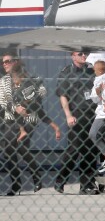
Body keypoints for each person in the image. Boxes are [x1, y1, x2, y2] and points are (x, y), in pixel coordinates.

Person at [0, 52, 60, 196]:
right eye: (3, 62)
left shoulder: (32, 78)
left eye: (8, 61)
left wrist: (28, 102)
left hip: (29, 119)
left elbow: (42, 93)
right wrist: (16, 108)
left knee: (21, 147)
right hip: (10, 119)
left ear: (16, 62)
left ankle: (35, 176)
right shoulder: (3, 81)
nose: (5, 64)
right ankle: (17, 182)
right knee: (8, 150)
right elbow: (3, 101)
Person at [54, 51, 101, 195]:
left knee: (92, 150)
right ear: (72, 56)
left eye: (85, 54)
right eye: (80, 54)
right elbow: (63, 96)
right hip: (77, 115)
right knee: (74, 149)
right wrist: (68, 115)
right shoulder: (67, 72)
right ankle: (60, 180)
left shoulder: (92, 71)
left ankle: (87, 185)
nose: (83, 56)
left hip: (93, 114)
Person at [10, 62, 61, 142]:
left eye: (14, 78)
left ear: (21, 76)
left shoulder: (20, 88)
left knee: (16, 113)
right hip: (36, 103)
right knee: (43, 116)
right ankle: (55, 127)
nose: (14, 80)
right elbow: (39, 80)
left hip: (29, 104)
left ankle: (22, 131)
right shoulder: (31, 80)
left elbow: (15, 99)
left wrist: (18, 104)